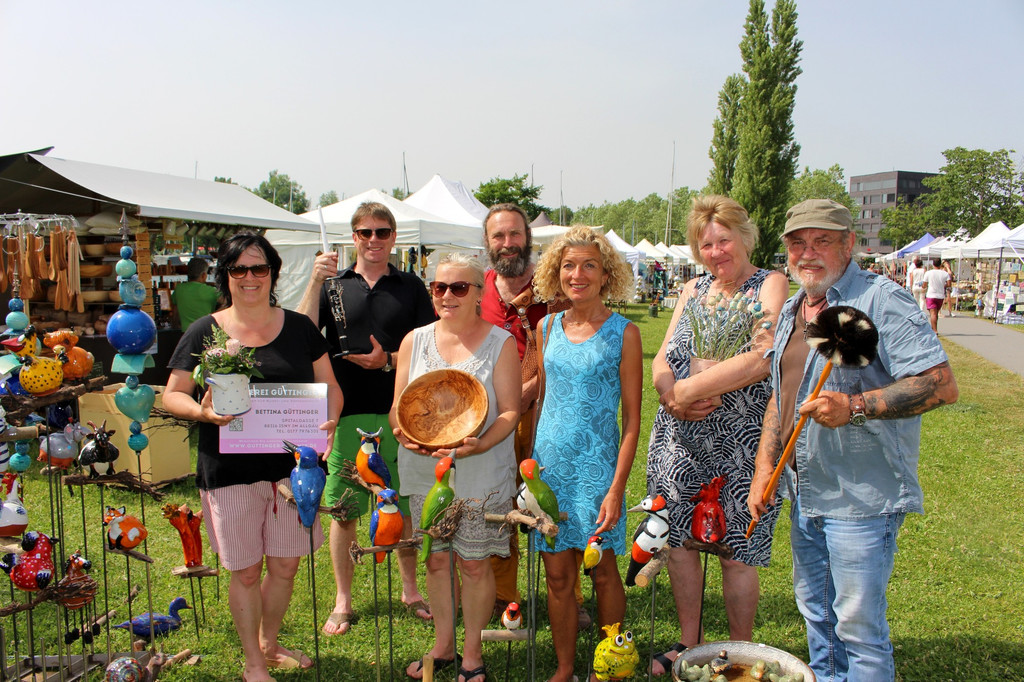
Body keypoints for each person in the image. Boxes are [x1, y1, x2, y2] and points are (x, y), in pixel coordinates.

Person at [748, 199, 959, 682]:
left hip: (861, 498)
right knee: (818, 620)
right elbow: (781, 398)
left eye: (822, 240)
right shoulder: (794, 309)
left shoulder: (881, 300)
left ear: (849, 244)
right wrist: (765, 471)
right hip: (805, 495)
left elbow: (940, 383)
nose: (808, 252)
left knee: (858, 631)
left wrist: (856, 407)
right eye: (798, 242)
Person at [164, 232, 343, 682]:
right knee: (245, 573)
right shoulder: (205, 330)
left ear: (273, 273)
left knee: (285, 565)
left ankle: (270, 641)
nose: (249, 277)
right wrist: (202, 411)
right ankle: (253, 663)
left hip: (293, 474)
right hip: (230, 471)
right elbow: (172, 396)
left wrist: (332, 418)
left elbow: (331, 389)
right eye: (239, 269)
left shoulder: (301, 328)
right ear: (226, 275)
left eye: (259, 268)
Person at [645, 196, 788, 676]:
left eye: (724, 240)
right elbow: (662, 359)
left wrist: (688, 389)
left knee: (734, 553)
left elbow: (761, 356)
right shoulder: (691, 290)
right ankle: (690, 643)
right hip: (680, 442)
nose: (715, 252)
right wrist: (670, 395)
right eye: (705, 244)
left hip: (741, 441)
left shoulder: (769, 284)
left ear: (745, 237)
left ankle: (739, 654)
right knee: (680, 544)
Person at [296, 201, 435, 635]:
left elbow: (431, 347)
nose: (373, 240)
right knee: (344, 509)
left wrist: (388, 361)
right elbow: (300, 333)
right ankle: (343, 598)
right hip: (343, 411)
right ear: (352, 237)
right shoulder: (332, 283)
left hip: (401, 411)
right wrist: (314, 279)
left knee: (403, 502)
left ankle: (410, 588)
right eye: (365, 232)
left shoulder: (411, 286)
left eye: (382, 232)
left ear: (394, 237)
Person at [392, 252, 521, 682]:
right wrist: (403, 432)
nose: (448, 295)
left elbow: (509, 412)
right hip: (425, 467)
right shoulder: (414, 341)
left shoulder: (500, 342)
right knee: (436, 560)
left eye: (460, 287)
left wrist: (479, 443)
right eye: (440, 287)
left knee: (474, 563)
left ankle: (472, 654)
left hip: (480, 466)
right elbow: (398, 408)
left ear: (479, 294)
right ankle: (443, 646)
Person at [531, 226, 642, 682]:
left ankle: (610, 668)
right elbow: (542, 398)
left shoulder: (625, 332)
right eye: (568, 266)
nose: (577, 275)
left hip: (598, 472)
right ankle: (563, 669)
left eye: (589, 266)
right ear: (556, 274)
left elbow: (632, 420)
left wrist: (617, 489)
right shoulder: (547, 326)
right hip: (550, 470)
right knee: (557, 578)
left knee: (603, 574)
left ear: (606, 274)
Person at [478, 203, 573, 619]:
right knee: (499, 497)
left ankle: (570, 592)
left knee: (550, 498)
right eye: (498, 236)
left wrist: (525, 393)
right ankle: (503, 594)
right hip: (491, 416)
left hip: (545, 412)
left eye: (515, 234)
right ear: (487, 243)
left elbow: (569, 348)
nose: (508, 243)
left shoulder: (554, 290)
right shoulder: (472, 289)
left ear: (528, 238)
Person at [172, 257, 219, 331]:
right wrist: (214, 316)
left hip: (186, 334)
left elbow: (175, 315)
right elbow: (228, 303)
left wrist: (174, 327)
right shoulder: (211, 291)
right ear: (203, 275)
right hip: (206, 332)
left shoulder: (179, 289)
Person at [922, 257, 950, 333]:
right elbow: (949, 284)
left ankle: (934, 330)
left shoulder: (928, 273)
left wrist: (924, 286)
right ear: (940, 264)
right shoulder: (945, 273)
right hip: (940, 296)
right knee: (936, 313)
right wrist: (943, 285)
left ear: (933, 264)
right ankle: (934, 328)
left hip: (931, 295)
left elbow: (924, 284)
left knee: (933, 313)